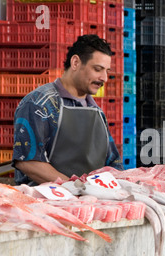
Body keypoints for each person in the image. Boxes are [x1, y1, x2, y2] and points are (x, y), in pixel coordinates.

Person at [13, 34, 123, 186]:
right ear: (76, 62)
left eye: (107, 71)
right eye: (98, 69)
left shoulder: (96, 112)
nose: (104, 77)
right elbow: (28, 162)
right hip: (45, 204)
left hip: (89, 203)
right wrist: (78, 188)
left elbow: (112, 164)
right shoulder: (40, 103)